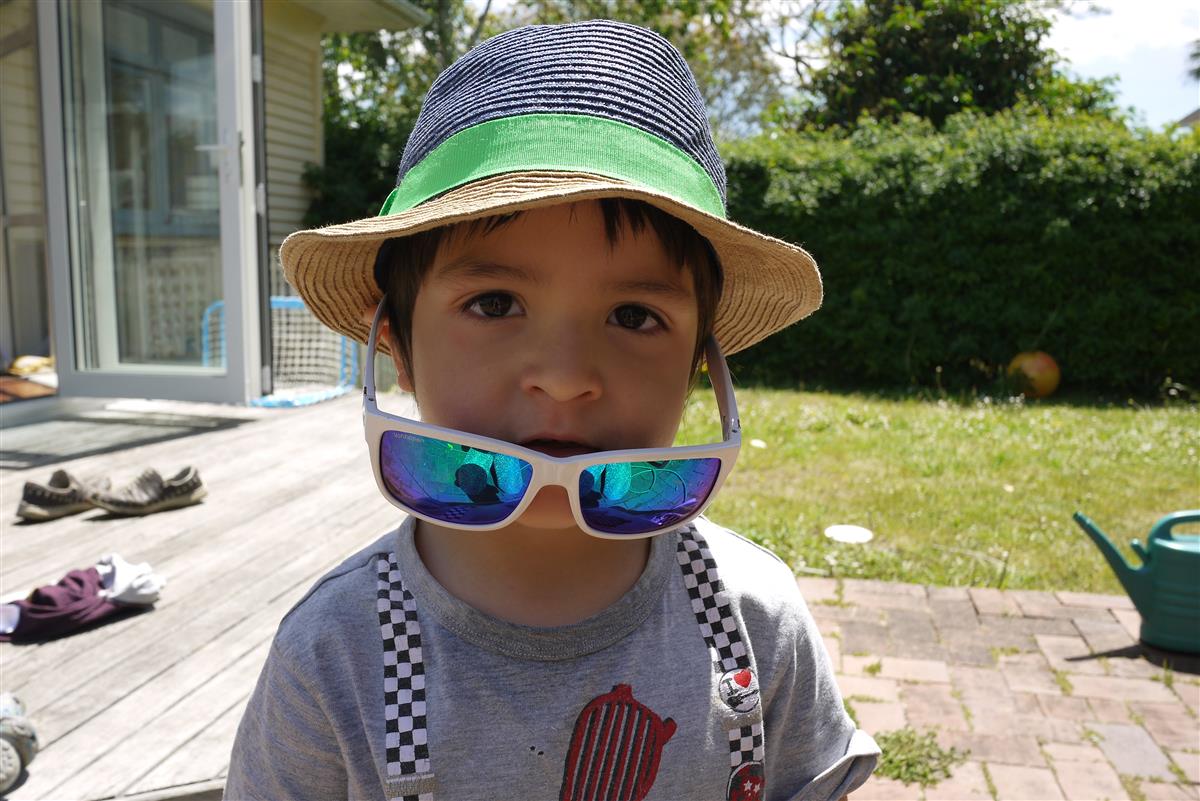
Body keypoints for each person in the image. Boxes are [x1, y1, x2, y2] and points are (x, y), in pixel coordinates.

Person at [224, 19, 879, 801]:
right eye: (495, 302)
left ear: (700, 368)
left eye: (634, 316)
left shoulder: (755, 617)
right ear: (396, 346)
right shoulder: (333, 656)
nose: (566, 378)